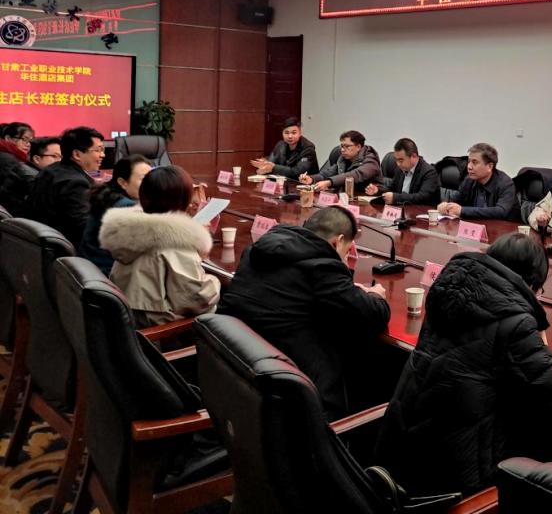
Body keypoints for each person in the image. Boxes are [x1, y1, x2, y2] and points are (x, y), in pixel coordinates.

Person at [375, 233, 552, 496]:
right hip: (452, 478)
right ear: (529, 285)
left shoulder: (448, 291)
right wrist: (544, 345)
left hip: (398, 450)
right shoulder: (515, 320)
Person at [217, 206, 390, 419]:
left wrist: (345, 288)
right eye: (346, 251)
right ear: (337, 242)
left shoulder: (257, 249)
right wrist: (374, 295)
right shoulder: (323, 266)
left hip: (238, 373)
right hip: (298, 396)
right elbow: (374, 315)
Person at [100, 165, 220, 327]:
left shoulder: (131, 228)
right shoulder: (175, 239)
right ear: (184, 200)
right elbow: (197, 299)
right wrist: (215, 281)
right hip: (159, 329)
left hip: (129, 318)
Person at [29, 126, 104, 246]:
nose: (103, 155)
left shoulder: (50, 170)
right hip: (66, 247)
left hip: (39, 241)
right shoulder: (75, 183)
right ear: (77, 154)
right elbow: (84, 228)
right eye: (98, 150)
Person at [79, 154, 151, 275]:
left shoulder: (107, 197)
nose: (151, 184)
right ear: (123, 182)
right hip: (108, 274)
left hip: (92, 270)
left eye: (151, 178)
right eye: (144, 179)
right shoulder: (126, 208)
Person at [436, 142, 516, 220]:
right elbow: (456, 199)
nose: (469, 167)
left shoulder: (505, 184)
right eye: (469, 162)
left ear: (489, 166)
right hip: (474, 225)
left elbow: (501, 211)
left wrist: (462, 211)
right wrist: (446, 205)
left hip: (501, 227)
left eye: (474, 162)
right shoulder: (469, 180)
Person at [299, 130, 384, 193]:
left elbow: (355, 175)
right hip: (347, 198)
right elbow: (327, 174)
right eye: (342, 146)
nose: (342, 150)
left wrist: (329, 182)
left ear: (358, 147)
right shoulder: (344, 158)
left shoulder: (371, 161)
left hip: (368, 201)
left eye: (347, 146)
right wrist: (312, 179)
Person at [364, 138, 439, 206]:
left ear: (414, 156)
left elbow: (423, 197)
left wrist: (396, 198)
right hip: (400, 209)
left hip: (419, 212)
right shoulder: (400, 169)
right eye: (396, 160)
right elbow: (392, 189)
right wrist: (378, 190)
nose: (398, 164)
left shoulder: (429, 172)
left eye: (401, 160)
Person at [250, 116, 318, 179]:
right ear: (282, 133)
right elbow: (270, 163)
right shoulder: (280, 145)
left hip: (305, 184)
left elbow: (298, 172)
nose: (290, 136)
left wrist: (273, 168)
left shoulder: (308, 148)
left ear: (300, 133)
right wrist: (264, 166)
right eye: (286, 133)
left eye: (294, 133)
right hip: (285, 182)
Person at [0, 122, 36, 216]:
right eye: (24, 139)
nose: (28, 144)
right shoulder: (8, 159)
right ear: (8, 138)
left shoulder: (13, 157)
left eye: (31, 141)